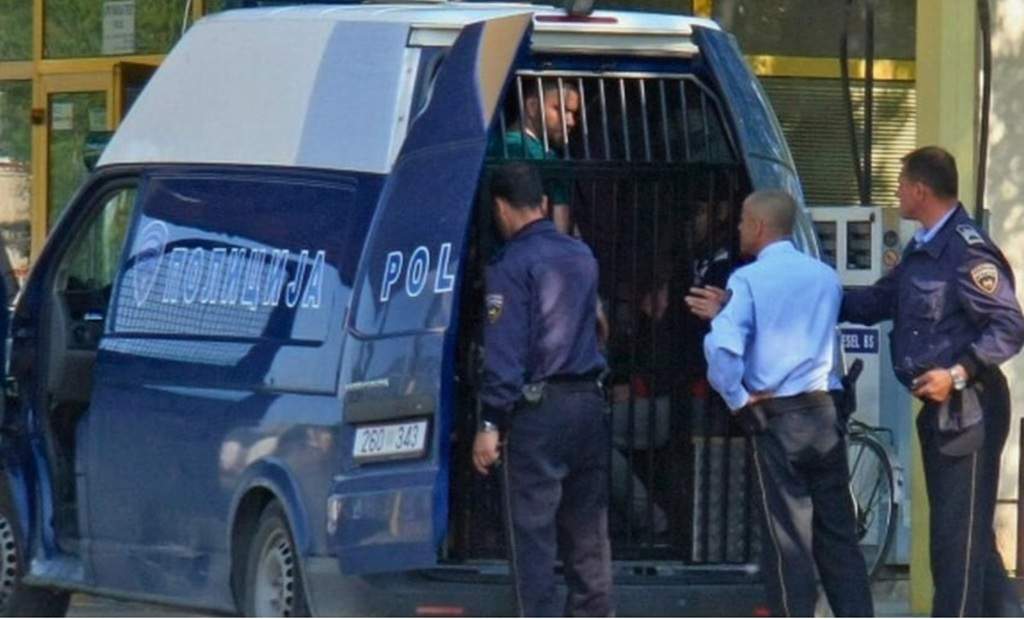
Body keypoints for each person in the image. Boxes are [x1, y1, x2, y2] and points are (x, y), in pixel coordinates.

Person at [842, 146, 1024, 616]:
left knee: (954, 549)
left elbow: (1009, 326)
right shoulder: (923, 247)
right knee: (969, 542)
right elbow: (878, 301)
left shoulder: (966, 250)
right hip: (941, 412)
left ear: (920, 190)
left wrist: (957, 374)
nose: (897, 192)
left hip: (970, 409)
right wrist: (811, 293)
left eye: (902, 184)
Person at [689, 189, 874, 617]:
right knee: (838, 537)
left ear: (758, 226)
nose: (737, 228)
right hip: (825, 412)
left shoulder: (747, 280)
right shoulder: (824, 276)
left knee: (789, 541)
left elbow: (723, 350)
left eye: (742, 220)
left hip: (777, 417)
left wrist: (738, 400)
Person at [472, 162, 613, 617]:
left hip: (539, 412)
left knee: (533, 536)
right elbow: (599, 327)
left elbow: (505, 350)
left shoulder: (510, 264)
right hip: (588, 404)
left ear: (500, 207)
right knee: (588, 534)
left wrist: (490, 422)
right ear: (545, 203)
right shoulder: (581, 255)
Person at [490, 79, 580, 233]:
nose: (571, 121)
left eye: (573, 113)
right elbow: (560, 223)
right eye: (561, 110)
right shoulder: (524, 150)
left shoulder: (496, 144)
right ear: (532, 106)